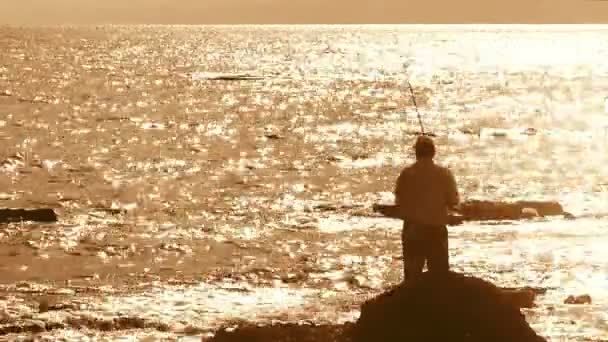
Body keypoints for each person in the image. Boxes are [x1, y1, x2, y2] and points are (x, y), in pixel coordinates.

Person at [394, 135, 459, 281]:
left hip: (412, 231)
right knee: (440, 278)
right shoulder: (444, 174)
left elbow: (399, 204)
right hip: (436, 231)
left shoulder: (406, 174)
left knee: (412, 279)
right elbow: (453, 201)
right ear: (433, 152)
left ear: (416, 153)